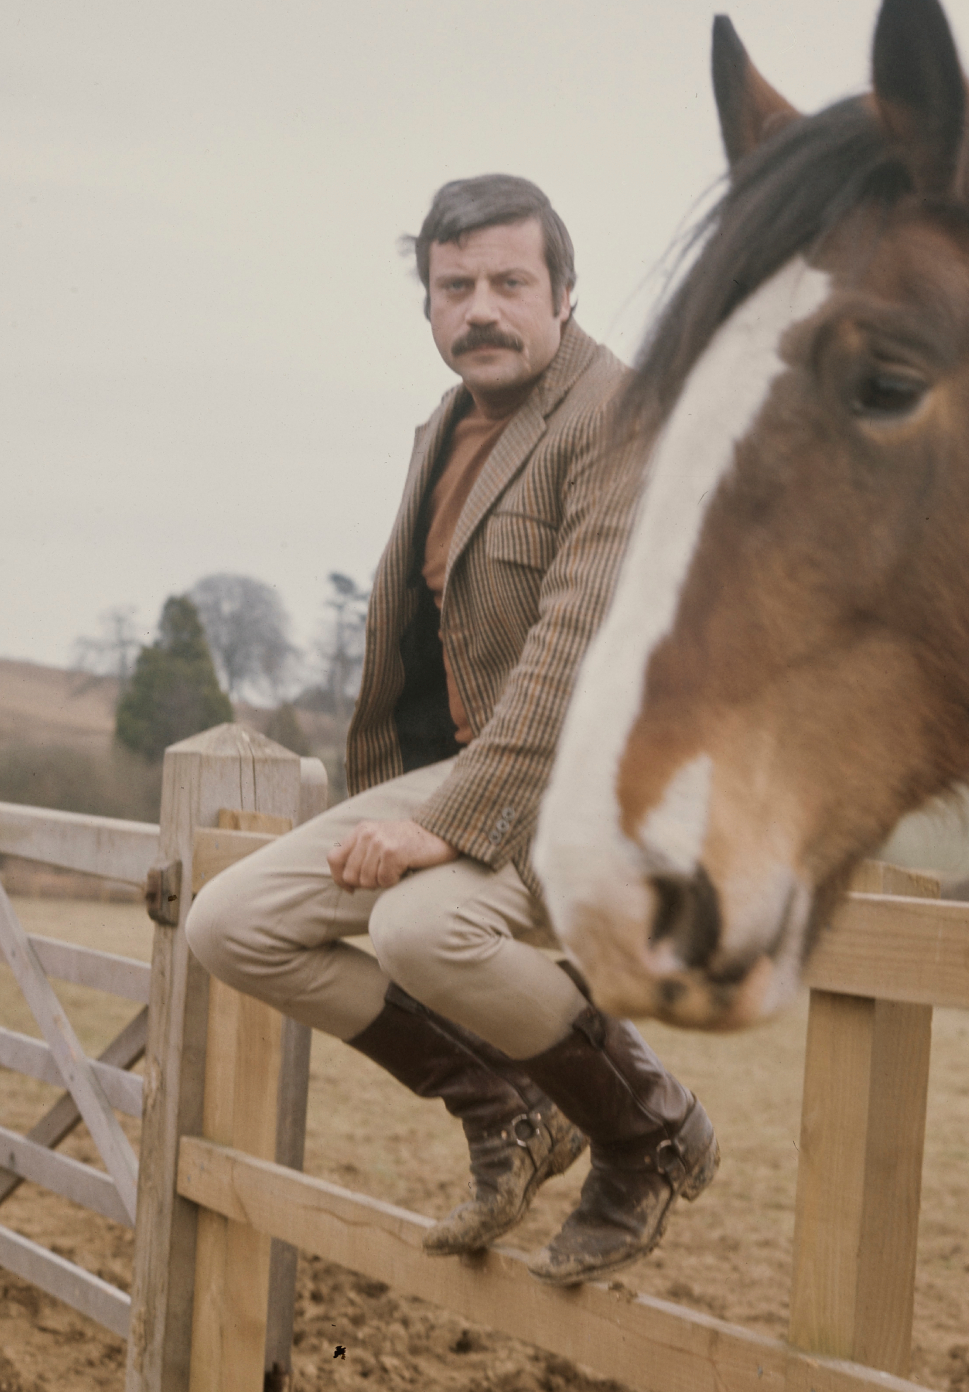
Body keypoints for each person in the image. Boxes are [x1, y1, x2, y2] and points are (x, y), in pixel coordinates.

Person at [186, 175, 718, 1285]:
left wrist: (440, 826)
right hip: (469, 775)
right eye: (454, 286)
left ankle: (649, 1128)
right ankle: (505, 1106)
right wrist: (411, 798)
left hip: (604, 786)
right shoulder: (446, 424)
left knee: (422, 930)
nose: (480, 309)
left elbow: (570, 654)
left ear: (564, 294)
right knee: (230, 925)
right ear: (427, 303)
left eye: (509, 283)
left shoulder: (620, 418)